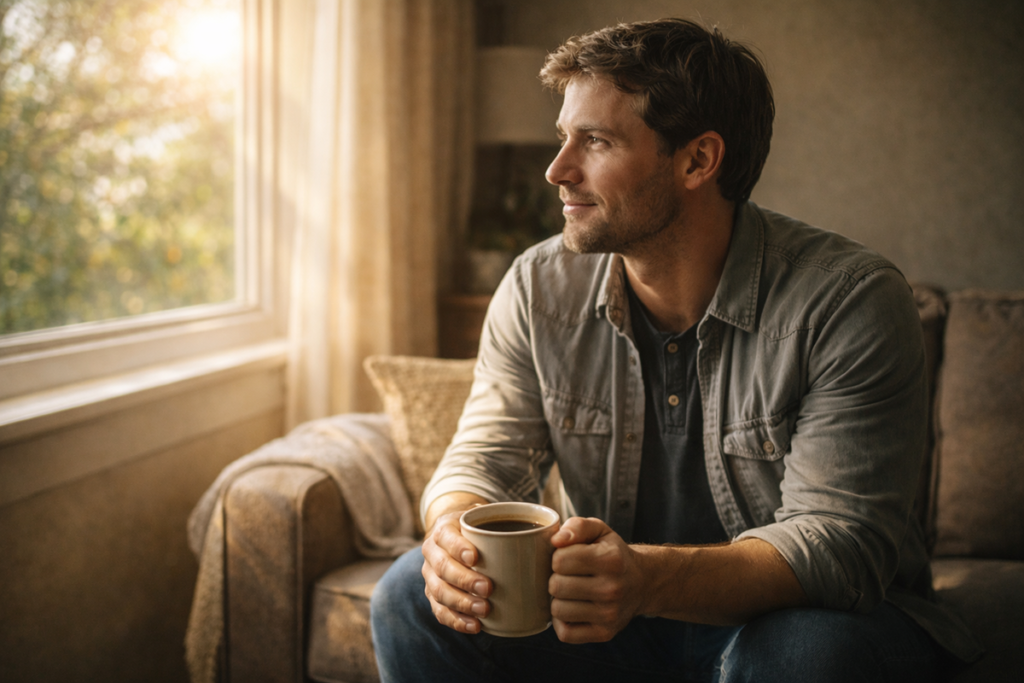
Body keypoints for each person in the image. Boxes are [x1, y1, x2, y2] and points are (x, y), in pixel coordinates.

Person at [370, 17, 980, 682]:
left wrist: (644, 578)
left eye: (595, 141)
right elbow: (483, 455)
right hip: (620, 629)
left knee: (800, 653)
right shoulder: (536, 287)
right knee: (407, 595)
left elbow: (837, 546)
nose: (557, 170)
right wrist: (453, 534)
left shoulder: (848, 300)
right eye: (563, 137)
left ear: (697, 160)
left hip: (813, 622)